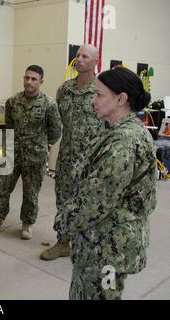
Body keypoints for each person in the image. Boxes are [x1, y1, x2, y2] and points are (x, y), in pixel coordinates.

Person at [56, 67, 156, 299]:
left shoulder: (123, 142)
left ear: (121, 99)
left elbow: (94, 202)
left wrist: (63, 221)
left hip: (108, 249)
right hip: (100, 243)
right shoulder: (116, 131)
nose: (93, 100)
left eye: (99, 95)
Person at [40, 44, 107, 260]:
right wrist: (49, 143)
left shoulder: (103, 92)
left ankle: (88, 247)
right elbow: (56, 123)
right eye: (77, 55)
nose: (79, 59)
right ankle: (62, 243)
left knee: (91, 203)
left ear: (96, 61)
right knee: (63, 201)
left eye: (85, 56)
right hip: (67, 159)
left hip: (92, 161)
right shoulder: (65, 90)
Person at [0, 65, 62, 239]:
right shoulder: (13, 101)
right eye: (26, 78)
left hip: (35, 155)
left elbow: (56, 129)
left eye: (33, 79)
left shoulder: (49, 104)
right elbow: (9, 124)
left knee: (31, 192)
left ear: (41, 81)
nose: (29, 82)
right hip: (12, 152)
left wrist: (47, 143)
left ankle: (27, 225)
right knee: (2, 188)